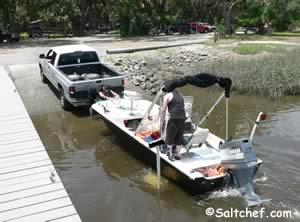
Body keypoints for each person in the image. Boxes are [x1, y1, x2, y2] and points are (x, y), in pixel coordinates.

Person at [161, 89, 186, 161]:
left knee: (170, 136)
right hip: (183, 118)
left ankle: (170, 154)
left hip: (174, 118)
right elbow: (181, 107)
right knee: (179, 137)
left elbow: (163, 109)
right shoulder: (181, 96)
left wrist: (163, 120)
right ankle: (177, 154)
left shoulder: (167, 96)